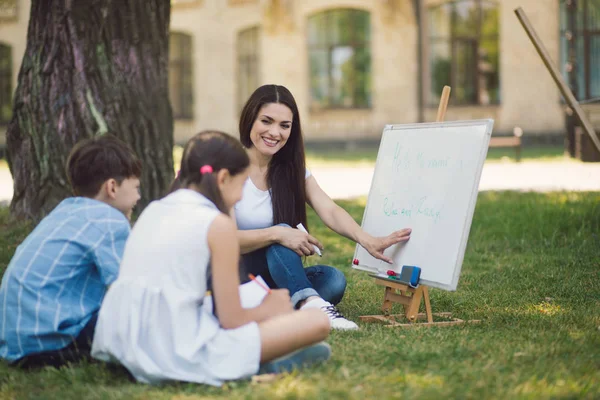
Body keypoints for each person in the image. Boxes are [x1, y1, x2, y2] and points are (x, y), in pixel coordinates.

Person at [91, 130, 331, 386]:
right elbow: (232, 320)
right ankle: (250, 363)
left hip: (122, 340)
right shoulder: (218, 224)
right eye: (241, 185)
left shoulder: (155, 209)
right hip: (174, 352)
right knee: (317, 321)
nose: (240, 197)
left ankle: (260, 357)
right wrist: (271, 308)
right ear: (224, 178)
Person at [235, 84, 412, 330]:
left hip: (272, 278)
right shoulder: (228, 167)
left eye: (284, 125)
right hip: (235, 277)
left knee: (333, 280)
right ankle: (310, 304)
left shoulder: (290, 170)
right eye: (266, 121)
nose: (275, 132)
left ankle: (283, 307)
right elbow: (217, 238)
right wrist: (278, 233)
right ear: (250, 119)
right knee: (282, 232)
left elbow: (329, 210)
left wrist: (367, 240)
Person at [0, 134, 142, 368]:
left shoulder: (64, 211)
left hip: (15, 340)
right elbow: (127, 287)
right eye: (136, 187)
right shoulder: (109, 221)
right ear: (112, 187)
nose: (138, 197)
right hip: (51, 343)